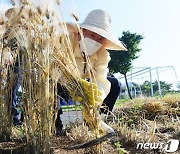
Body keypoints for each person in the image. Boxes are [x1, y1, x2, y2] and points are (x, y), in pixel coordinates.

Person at [55, 9, 127, 134]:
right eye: (92, 35)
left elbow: (101, 78)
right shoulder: (66, 40)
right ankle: (56, 122)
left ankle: (96, 120)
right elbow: (57, 65)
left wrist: (94, 97)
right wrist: (74, 84)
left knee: (115, 84)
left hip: (84, 87)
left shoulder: (103, 53)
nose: (95, 41)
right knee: (53, 87)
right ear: (82, 31)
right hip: (61, 84)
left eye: (100, 39)